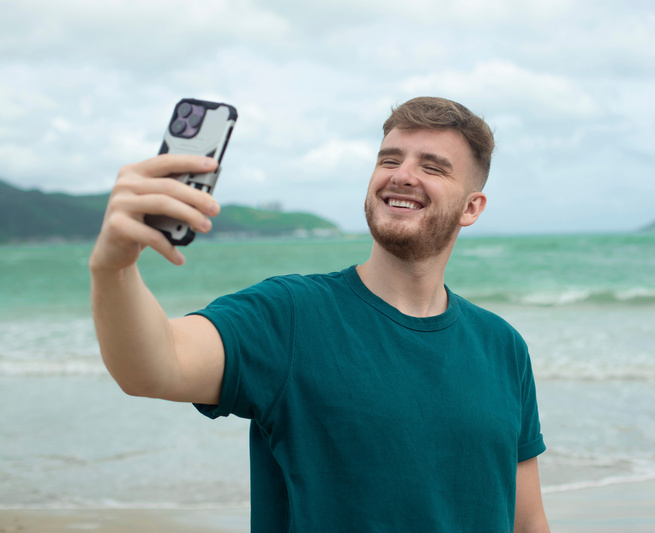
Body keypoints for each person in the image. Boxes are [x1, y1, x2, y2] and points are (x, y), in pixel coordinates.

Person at [90, 96, 549, 532]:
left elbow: (526, 522)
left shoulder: (502, 346)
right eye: (389, 160)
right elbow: (152, 366)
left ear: (471, 208)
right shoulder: (289, 314)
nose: (402, 175)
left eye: (432, 167)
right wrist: (114, 268)